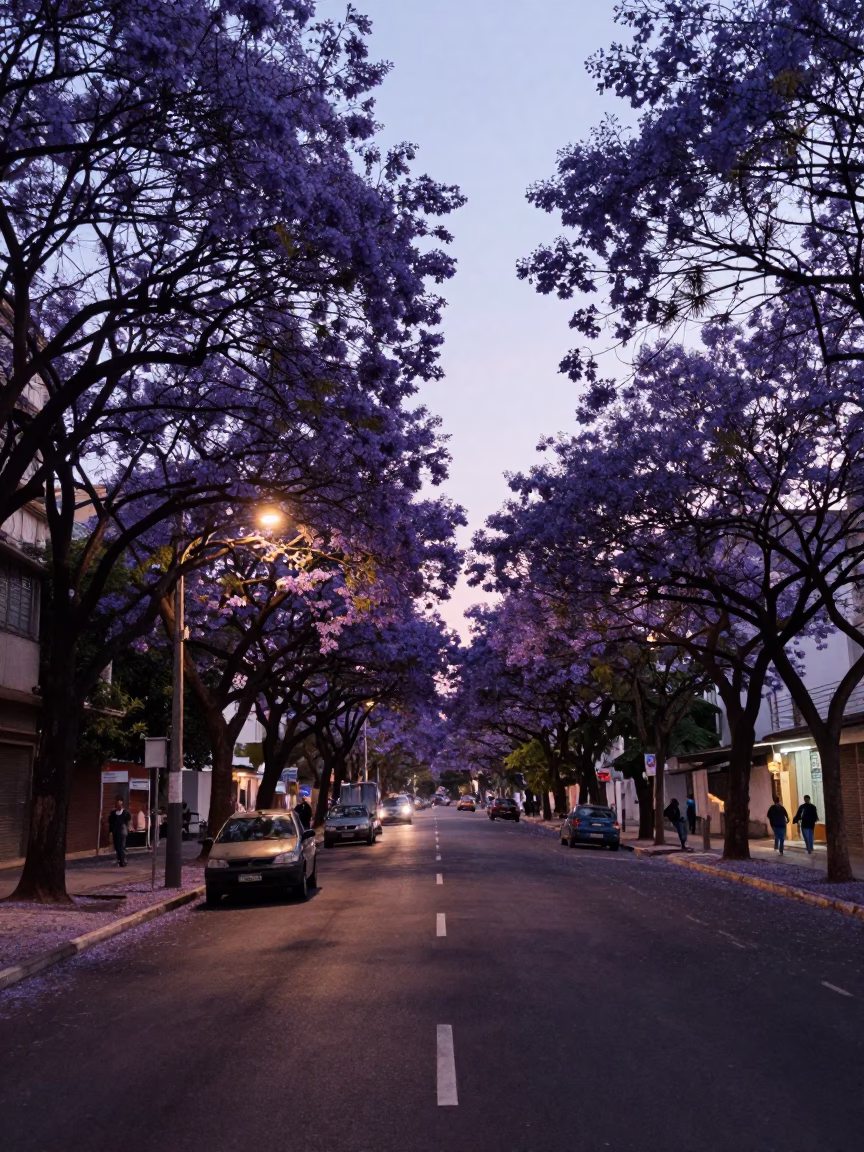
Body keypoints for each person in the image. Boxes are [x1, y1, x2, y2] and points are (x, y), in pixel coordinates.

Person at [108, 795, 131, 867]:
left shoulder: (125, 812)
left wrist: (128, 828)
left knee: (122, 846)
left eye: (120, 802)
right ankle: (120, 860)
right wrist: (110, 832)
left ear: (122, 803)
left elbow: (128, 821)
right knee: (117, 847)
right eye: (117, 803)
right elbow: (110, 823)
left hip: (122, 831)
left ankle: (122, 861)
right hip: (115, 831)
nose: (118, 804)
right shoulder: (113, 813)